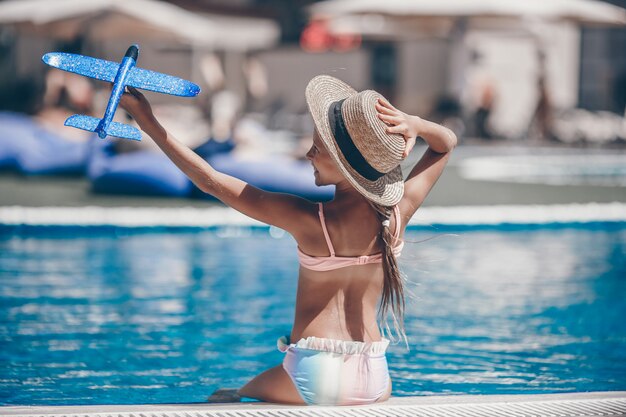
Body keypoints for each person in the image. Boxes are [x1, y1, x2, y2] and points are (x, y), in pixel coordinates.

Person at [120, 75, 457, 406]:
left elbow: (210, 181)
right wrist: (414, 123)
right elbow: (445, 145)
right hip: (375, 375)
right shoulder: (397, 215)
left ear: (345, 165)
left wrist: (149, 123)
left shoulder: (311, 219)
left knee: (228, 398)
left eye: (318, 148)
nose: (309, 154)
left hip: (316, 372)